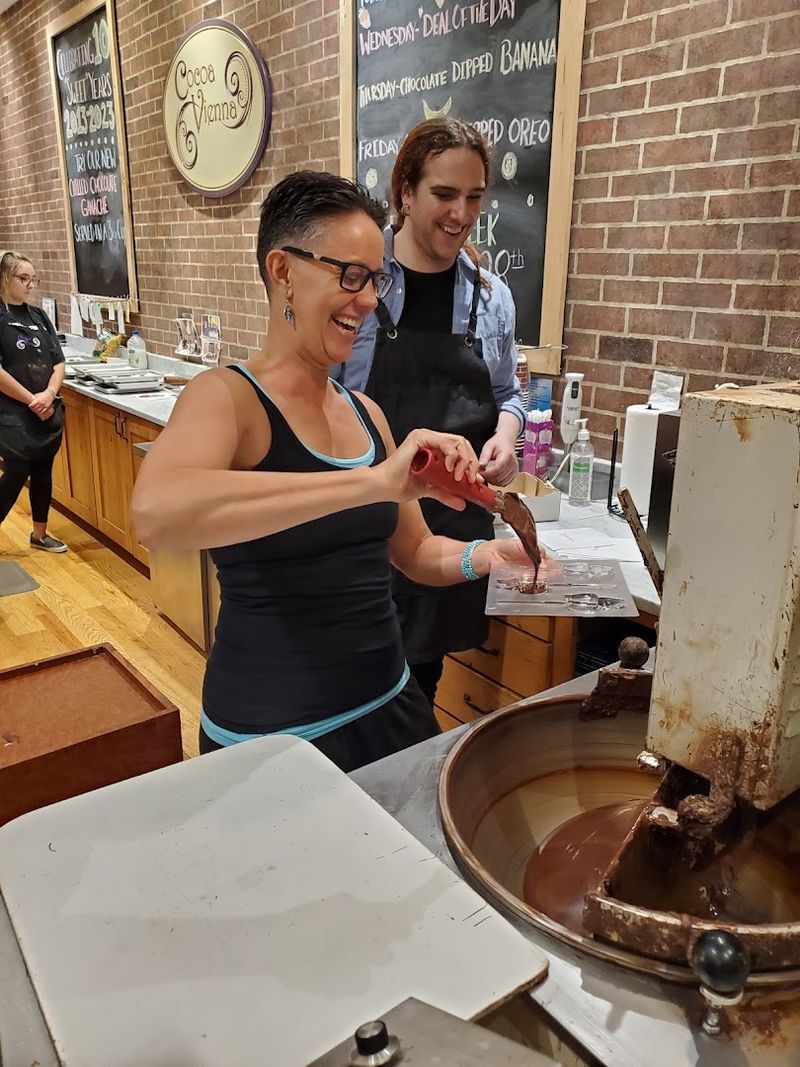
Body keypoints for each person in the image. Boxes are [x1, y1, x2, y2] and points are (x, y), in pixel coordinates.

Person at [132, 171, 531, 772]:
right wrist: (371, 482)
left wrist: (488, 558)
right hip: (272, 739)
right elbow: (157, 513)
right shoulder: (227, 399)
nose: (368, 299)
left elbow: (416, 553)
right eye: (350, 276)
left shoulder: (365, 412)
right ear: (283, 270)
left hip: (392, 707)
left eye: (375, 279)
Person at [337, 118, 525, 707]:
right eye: (444, 194)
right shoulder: (361, 289)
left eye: (474, 197)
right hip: (366, 525)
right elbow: (323, 404)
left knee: (420, 685)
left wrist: (507, 436)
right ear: (405, 192)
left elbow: (508, 395)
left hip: (452, 529)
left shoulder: (491, 298)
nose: (461, 213)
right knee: (355, 690)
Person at [0, 251, 68, 552]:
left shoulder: (38, 316)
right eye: (23, 278)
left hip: (47, 409)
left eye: (32, 279)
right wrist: (32, 400)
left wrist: (49, 395)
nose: (30, 285)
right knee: (16, 472)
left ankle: (40, 535)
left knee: (43, 470)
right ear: (4, 278)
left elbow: (58, 362)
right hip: (14, 413)